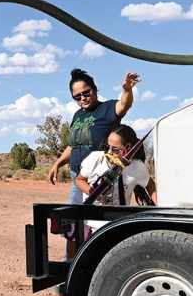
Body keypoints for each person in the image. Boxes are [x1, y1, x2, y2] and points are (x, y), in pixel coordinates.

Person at [48, 68, 139, 203]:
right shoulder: (78, 115)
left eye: (86, 93)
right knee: (75, 217)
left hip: (100, 176)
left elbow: (124, 104)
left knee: (94, 216)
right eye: (77, 97)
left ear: (94, 89)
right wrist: (58, 163)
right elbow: (73, 146)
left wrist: (127, 90)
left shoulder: (107, 108)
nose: (82, 98)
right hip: (77, 175)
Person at [75, 125, 157, 227]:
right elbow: (79, 180)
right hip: (92, 223)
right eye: (107, 146)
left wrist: (157, 208)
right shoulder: (95, 158)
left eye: (115, 149)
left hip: (119, 224)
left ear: (128, 148)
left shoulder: (137, 166)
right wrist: (92, 192)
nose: (109, 152)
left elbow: (150, 185)